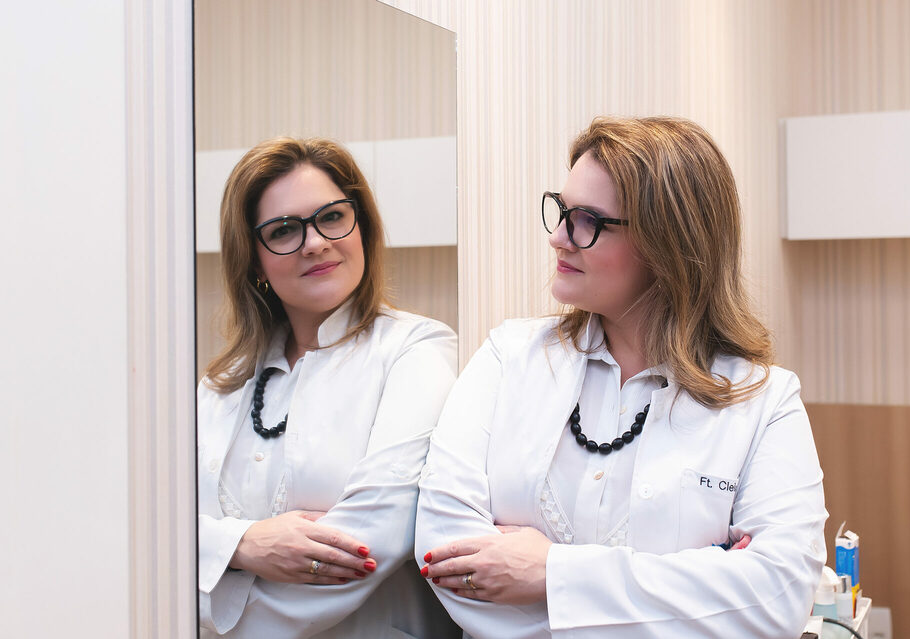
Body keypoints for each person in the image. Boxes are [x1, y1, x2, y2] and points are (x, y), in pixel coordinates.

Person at [415, 116, 827, 638]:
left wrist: (549, 573)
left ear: (667, 242)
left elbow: (777, 600)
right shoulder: (508, 357)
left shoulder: (764, 401)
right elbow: (445, 556)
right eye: (561, 211)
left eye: (586, 220)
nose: (558, 238)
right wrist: (695, 592)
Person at [197, 137, 459, 638]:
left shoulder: (416, 350)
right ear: (253, 261)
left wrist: (214, 596)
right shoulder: (221, 385)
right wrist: (247, 544)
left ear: (362, 227)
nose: (315, 242)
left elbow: (373, 542)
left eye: (332, 217)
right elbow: (164, 537)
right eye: (283, 230)